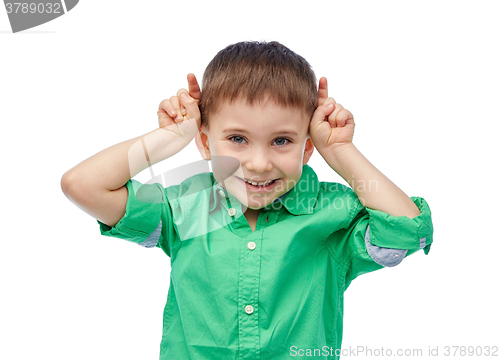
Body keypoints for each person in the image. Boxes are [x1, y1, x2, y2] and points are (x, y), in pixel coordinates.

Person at [61, 41, 433, 359]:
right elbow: (82, 185)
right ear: (206, 143)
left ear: (307, 148)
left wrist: (339, 151)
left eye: (282, 140)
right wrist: (170, 138)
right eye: (237, 139)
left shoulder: (331, 214)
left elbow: (407, 229)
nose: (258, 163)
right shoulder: (187, 206)